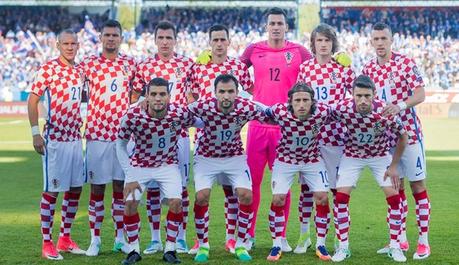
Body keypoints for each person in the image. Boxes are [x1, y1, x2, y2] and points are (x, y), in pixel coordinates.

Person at [239, 7, 312, 251]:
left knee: (283, 185)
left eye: (280, 23)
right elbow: (235, 72)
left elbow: (317, 72)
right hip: (258, 126)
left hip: (286, 128)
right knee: (253, 184)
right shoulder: (253, 50)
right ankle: (248, 235)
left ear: (286, 26)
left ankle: (279, 237)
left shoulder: (298, 51)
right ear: (267, 26)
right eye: (272, 23)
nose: (276, 27)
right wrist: (253, 93)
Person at [363, 22, 431, 260]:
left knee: (417, 186)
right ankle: (399, 240)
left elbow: (420, 94)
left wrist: (400, 105)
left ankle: (423, 242)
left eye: (383, 38)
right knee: (394, 189)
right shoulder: (368, 69)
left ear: (391, 40)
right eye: (376, 39)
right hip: (386, 139)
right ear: (371, 42)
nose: (380, 43)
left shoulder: (405, 63)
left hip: (409, 134)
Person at [187, 24, 253, 255]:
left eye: (222, 39)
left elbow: (248, 97)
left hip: (231, 142)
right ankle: (200, 241)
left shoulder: (238, 67)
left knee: (232, 192)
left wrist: (238, 121)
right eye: (215, 39)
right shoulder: (199, 67)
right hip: (206, 140)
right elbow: (190, 98)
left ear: (228, 41)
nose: (218, 43)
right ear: (209, 42)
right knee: (203, 194)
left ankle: (232, 240)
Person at [116, 77, 197, 264]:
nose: (158, 98)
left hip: (167, 165)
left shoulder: (179, 112)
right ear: (146, 96)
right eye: (153, 94)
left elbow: (200, 122)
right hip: (139, 165)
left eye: (162, 94)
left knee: (177, 202)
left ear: (169, 96)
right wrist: (129, 173)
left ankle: (170, 249)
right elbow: (120, 145)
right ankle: (134, 250)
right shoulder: (133, 114)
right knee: (129, 204)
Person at [189, 74, 268, 262]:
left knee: (246, 195)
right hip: (206, 157)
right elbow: (180, 113)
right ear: (215, 93)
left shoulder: (245, 106)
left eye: (230, 91)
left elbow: (267, 112)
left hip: (234, 157)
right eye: (222, 92)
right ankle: (203, 245)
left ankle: (240, 244)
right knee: (201, 197)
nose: (226, 96)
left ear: (237, 93)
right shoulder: (203, 105)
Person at [331, 75, 408, 263]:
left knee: (394, 198)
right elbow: (321, 118)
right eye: (359, 96)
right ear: (352, 95)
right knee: (340, 197)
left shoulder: (385, 110)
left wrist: (394, 165)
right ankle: (343, 247)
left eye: (367, 96)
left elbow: (403, 136)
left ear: (374, 95)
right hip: (352, 156)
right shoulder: (342, 108)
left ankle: (395, 246)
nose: (363, 100)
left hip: (379, 156)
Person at [132, 20, 194, 255]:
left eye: (170, 38)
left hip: (179, 136)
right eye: (162, 38)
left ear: (175, 40)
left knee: (181, 189)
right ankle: (155, 239)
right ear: (155, 40)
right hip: (150, 137)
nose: (165, 42)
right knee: (154, 188)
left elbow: (193, 97)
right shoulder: (145, 66)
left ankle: (181, 237)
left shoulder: (187, 65)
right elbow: (135, 98)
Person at [80, 19, 139, 256]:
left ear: (121, 38)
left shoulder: (131, 65)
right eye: (107, 35)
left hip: (122, 137)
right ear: (101, 38)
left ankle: (119, 238)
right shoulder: (88, 65)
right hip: (96, 135)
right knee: (96, 189)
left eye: (115, 35)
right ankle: (95, 239)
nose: (111, 38)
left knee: (119, 189)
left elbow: (137, 95)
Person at [296, 23, 355, 253]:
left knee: (337, 191)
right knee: (307, 190)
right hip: (311, 138)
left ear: (333, 43)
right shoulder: (305, 68)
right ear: (313, 44)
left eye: (327, 40)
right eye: (319, 40)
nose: (323, 44)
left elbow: (355, 99)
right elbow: (299, 101)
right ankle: (304, 236)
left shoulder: (343, 68)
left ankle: (341, 242)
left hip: (337, 138)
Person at [28, 29, 86, 260]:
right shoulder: (48, 69)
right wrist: (35, 133)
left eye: (73, 43)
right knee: (52, 191)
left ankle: (65, 238)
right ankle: (47, 243)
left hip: (75, 139)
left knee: (75, 190)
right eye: (66, 43)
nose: (70, 47)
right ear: (58, 45)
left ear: (78, 46)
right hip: (55, 141)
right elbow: (33, 101)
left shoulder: (80, 71)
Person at [265, 83, 332, 261]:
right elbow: (260, 112)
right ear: (290, 102)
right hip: (285, 160)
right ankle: (276, 244)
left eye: (305, 100)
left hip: (312, 159)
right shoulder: (279, 112)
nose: (301, 104)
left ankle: (321, 244)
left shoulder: (323, 112)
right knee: (278, 199)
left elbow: (343, 112)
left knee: (322, 197)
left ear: (312, 102)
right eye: (297, 100)